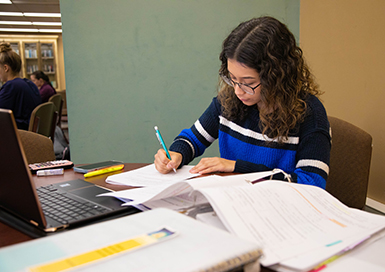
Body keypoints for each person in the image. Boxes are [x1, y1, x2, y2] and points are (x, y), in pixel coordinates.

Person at [154, 16, 331, 189]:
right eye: (232, 79)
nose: (238, 91)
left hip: (282, 210)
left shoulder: (310, 114)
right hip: (236, 202)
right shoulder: (228, 101)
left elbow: (311, 183)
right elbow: (192, 139)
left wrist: (237, 167)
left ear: (276, 76)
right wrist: (177, 153)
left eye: (249, 83)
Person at [0, 42, 41, 130]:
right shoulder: (29, 83)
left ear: (6, 68)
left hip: (20, 134)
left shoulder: (10, 86)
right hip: (32, 134)